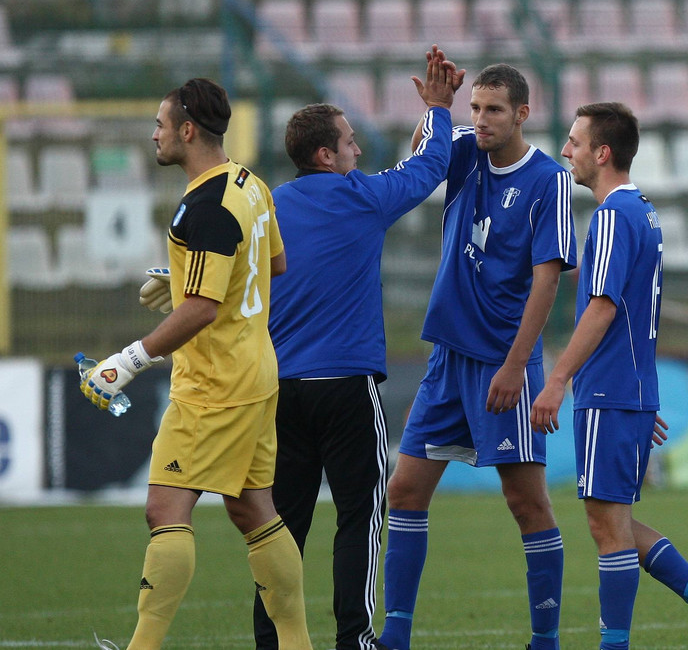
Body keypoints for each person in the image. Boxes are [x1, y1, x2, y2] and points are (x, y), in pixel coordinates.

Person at [81, 78, 312, 650]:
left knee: (165, 507)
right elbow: (272, 264)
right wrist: (184, 282)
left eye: (161, 124)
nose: (154, 134)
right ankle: (298, 644)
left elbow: (204, 310)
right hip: (257, 373)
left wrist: (126, 362)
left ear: (188, 131)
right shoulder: (250, 185)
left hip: (215, 383)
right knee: (254, 509)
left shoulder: (204, 206)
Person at [249, 49, 458, 650]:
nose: (357, 151)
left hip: (279, 390)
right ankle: (353, 639)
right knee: (358, 519)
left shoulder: (267, 207)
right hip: (346, 387)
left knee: (278, 527)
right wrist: (440, 110)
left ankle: (271, 641)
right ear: (326, 156)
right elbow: (426, 170)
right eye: (348, 143)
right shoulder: (363, 199)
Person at [529, 102, 688, 650]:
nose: (566, 152)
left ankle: (619, 643)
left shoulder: (611, 216)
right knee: (614, 522)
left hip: (610, 391)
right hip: (624, 389)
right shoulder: (642, 213)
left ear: (602, 153)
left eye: (575, 143)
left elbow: (603, 307)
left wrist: (557, 380)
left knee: (607, 528)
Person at [378, 63, 577, 650]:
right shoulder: (464, 150)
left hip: (502, 362)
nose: (480, 120)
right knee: (405, 491)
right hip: (446, 360)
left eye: (493, 110)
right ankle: (395, 636)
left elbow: (547, 280)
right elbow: (423, 154)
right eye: (474, 108)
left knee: (527, 502)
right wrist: (437, 107)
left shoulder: (548, 179)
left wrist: (518, 365)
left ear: (522, 113)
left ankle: (545, 641)